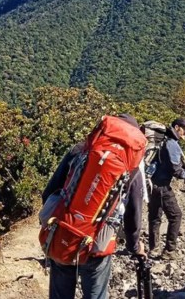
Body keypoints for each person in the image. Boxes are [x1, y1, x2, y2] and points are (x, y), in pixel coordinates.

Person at [42, 113, 146, 299]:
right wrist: (134, 246)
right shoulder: (132, 169)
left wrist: (57, 225)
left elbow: (49, 192)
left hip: (64, 233)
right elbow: (133, 214)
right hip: (97, 244)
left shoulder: (79, 151)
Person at [148, 117, 185, 260]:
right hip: (162, 186)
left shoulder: (163, 141)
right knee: (176, 216)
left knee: (155, 217)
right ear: (177, 127)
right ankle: (169, 250)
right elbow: (177, 171)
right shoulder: (172, 144)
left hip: (151, 184)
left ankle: (153, 248)